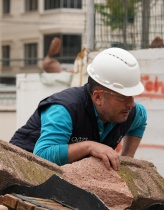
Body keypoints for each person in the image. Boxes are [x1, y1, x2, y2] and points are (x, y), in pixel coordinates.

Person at [10, 47, 147, 171]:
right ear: (98, 97)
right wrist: (89, 146)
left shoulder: (131, 113)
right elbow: (42, 155)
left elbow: (140, 119)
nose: (131, 104)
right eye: (123, 97)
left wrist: (127, 160)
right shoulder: (64, 110)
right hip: (19, 170)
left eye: (132, 96)